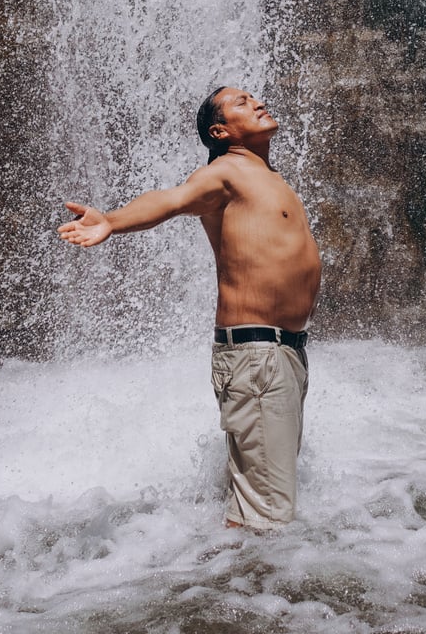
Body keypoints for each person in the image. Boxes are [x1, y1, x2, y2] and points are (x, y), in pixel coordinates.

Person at [58, 85, 322, 531]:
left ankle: (226, 582)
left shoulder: (270, 177)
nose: (257, 103)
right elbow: (171, 199)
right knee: (269, 518)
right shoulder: (225, 172)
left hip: (284, 353)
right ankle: (247, 591)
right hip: (258, 356)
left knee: (258, 500)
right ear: (220, 131)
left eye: (254, 97)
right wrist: (112, 221)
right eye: (241, 103)